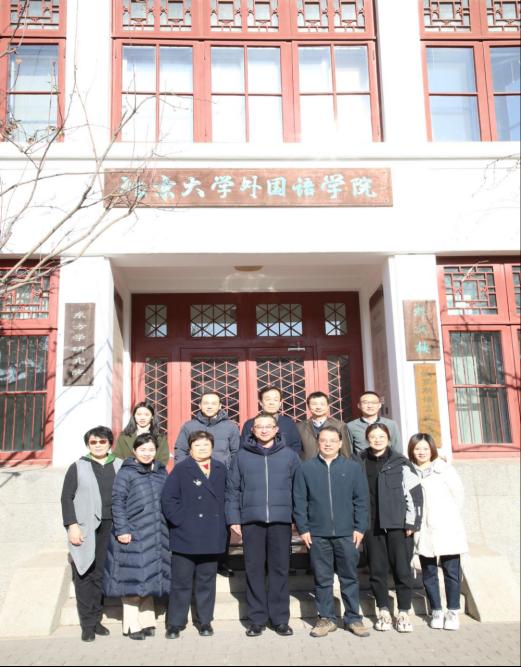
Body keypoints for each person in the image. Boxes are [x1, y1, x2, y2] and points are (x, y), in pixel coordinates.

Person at [226, 412, 300, 637]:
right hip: (252, 520)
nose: (265, 430)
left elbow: (298, 489)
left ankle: (280, 619)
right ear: (253, 430)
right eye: (260, 426)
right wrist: (234, 518)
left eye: (269, 426)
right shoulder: (242, 456)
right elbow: (233, 490)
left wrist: (298, 519)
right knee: (254, 570)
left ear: (277, 429)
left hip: (281, 520)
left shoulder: (289, 456)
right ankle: (256, 619)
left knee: (280, 570)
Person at [293, 426, 370, 638]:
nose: (328, 444)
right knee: (322, 578)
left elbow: (361, 500)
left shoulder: (352, 468)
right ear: (318, 443)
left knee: (349, 577)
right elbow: (299, 501)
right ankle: (326, 618)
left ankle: (353, 618)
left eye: (332, 440)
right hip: (317, 534)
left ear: (340, 443)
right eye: (324, 440)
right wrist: (303, 528)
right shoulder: (306, 468)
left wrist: (360, 527)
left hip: (347, 533)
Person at [103, 433, 170, 640]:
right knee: (132, 579)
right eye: (142, 449)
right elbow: (118, 502)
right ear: (134, 451)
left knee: (149, 577)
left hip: (157, 532)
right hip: (134, 532)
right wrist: (122, 530)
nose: (146, 453)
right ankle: (132, 625)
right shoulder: (126, 473)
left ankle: (147, 621)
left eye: (151, 449)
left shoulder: (161, 472)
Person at [162, 431, 227, 639]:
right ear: (190, 449)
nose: (202, 449)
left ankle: (204, 621)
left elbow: (228, 497)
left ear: (212, 447)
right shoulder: (181, 469)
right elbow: (168, 499)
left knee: (207, 581)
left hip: (212, 533)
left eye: (206, 445)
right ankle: (175, 623)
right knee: (181, 582)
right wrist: (181, 521)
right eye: (197, 445)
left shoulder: (221, 468)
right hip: (185, 534)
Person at [359, 423, 423, 633]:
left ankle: (403, 611)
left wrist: (412, 522)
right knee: (377, 571)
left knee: (402, 570)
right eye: (373, 436)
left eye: (381, 436)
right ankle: (383, 610)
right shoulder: (359, 461)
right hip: (372, 526)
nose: (377, 440)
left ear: (388, 438)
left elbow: (415, 495)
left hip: (399, 525)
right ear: (367, 439)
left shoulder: (401, 462)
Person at [61, 426, 122, 642]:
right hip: (86, 527)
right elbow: (66, 498)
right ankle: (87, 624)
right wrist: (72, 525)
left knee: (100, 574)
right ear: (88, 445)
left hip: (111, 526)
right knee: (84, 573)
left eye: (102, 441)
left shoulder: (119, 465)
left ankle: (96, 620)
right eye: (93, 442)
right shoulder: (78, 466)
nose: (98, 445)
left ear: (110, 443)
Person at [174, 390, 240, 577]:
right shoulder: (189, 426)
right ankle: (197, 558)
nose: (209, 406)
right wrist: (185, 472)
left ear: (220, 406)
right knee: (197, 518)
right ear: (200, 405)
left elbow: (236, 452)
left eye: (213, 403)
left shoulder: (230, 427)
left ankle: (221, 561)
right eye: (206, 403)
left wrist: (231, 473)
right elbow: (180, 450)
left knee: (221, 520)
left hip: (221, 479)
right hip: (195, 479)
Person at [408, 433, 467, 631]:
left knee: (451, 571)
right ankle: (436, 610)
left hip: (446, 526)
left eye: (425, 448)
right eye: (417, 448)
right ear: (412, 451)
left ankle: (453, 611)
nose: (421, 452)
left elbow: (458, 495)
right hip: (423, 528)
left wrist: (448, 516)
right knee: (429, 572)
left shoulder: (444, 469)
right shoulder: (409, 471)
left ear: (432, 449)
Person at [240, 386, 302, 455]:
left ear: (280, 403)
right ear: (260, 402)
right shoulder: (250, 424)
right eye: (268, 399)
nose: (271, 403)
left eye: (275, 400)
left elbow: (296, 446)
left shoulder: (289, 423)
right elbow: (244, 448)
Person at [297, 391, 352, 460]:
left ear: (328, 406)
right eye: (314, 404)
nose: (318, 407)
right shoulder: (300, 427)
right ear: (308, 406)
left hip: (333, 465)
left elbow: (345, 453)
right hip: (308, 465)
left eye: (322, 404)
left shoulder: (339, 426)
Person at [114, 401, 170, 466]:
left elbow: (163, 458)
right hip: (128, 470)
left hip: (152, 471)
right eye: (139, 414)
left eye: (146, 415)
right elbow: (118, 457)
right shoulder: (125, 435)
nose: (142, 418)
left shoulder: (159, 436)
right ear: (134, 416)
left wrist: (154, 468)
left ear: (152, 416)